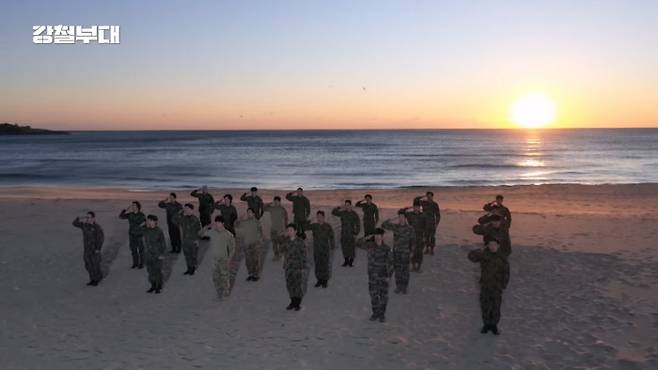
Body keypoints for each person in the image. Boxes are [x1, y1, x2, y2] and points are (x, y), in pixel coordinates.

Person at [468, 239, 510, 335]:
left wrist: (503, 285)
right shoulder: (484, 255)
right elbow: (471, 257)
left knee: (495, 306)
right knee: (485, 305)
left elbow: (506, 272)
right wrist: (480, 250)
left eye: (494, 244)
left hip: (496, 287)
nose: (492, 246)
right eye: (490, 244)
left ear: (498, 245)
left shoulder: (502, 257)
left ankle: (494, 325)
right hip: (485, 285)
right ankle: (486, 324)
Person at [199, 216, 236, 299]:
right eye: (216, 222)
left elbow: (232, 247)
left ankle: (225, 293)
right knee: (215, 277)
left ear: (222, 223)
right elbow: (200, 234)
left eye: (219, 222)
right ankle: (219, 293)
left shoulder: (228, 234)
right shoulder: (212, 232)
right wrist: (207, 227)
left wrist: (229, 258)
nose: (217, 224)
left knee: (224, 276)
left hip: (224, 259)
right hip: (214, 259)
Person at [382, 209, 415, 294]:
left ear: (405, 218)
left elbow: (413, 241)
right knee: (398, 271)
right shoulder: (396, 227)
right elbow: (384, 225)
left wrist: (412, 252)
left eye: (402, 217)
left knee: (405, 271)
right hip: (396, 252)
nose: (401, 219)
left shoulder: (410, 228)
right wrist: (388, 220)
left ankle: (404, 287)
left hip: (406, 253)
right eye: (399, 217)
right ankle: (398, 287)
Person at [366, 228, 394, 323]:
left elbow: (391, 264)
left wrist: (389, 277)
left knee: (383, 297)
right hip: (372, 277)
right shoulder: (369, 246)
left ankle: (382, 315)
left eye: (379, 235)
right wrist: (367, 237)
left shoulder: (386, 249)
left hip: (383, 277)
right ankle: (375, 313)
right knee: (373, 296)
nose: (377, 237)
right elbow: (357, 243)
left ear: (382, 237)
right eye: (376, 235)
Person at [72, 211, 104, 286]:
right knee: (88, 265)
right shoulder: (84, 226)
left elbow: (101, 238)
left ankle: (97, 279)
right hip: (87, 250)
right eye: (87, 217)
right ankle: (92, 279)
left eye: (89, 217)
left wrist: (98, 249)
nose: (87, 219)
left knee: (95, 265)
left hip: (94, 250)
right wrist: (80, 218)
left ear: (93, 218)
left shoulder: (97, 227)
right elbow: (74, 223)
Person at [281, 224, 308, 311]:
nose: (289, 232)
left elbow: (304, 254)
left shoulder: (300, 241)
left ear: (295, 231)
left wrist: (303, 266)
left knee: (297, 285)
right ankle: (292, 301)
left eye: (291, 230)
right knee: (290, 285)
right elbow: (281, 249)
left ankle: (297, 303)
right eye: (288, 230)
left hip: (297, 266)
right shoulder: (286, 241)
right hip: (288, 266)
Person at [307, 210, 336, 288]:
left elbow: (331, 236)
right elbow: (305, 227)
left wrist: (332, 246)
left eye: (321, 217)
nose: (319, 218)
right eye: (318, 217)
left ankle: (325, 281)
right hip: (316, 249)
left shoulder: (327, 226)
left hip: (325, 249)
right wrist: (308, 221)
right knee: (317, 265)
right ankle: (319, 280)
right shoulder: (314, 225)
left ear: (323, 217)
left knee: (325, 265)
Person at [236, 208, 264, 281]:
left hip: (255, 244)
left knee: (255, 260)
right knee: (248, 260)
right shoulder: (244, 222)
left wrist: (260, 241)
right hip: (246, 244)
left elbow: (260, 232)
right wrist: (239, 219)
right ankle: (250, 274)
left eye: (250, 212)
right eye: (248, 212)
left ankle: (256, 275)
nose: (249, 214)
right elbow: (236, 225)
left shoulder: (257, 222)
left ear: (253, 213)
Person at [142, 215, 166, 294]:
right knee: (150, 271)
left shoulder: (159, 231)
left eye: (150, 220)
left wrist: (161, 254)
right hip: (148, 255)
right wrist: (143, 224)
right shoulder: (145, 230)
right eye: (147, 220)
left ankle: (158, 286)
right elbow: (136, 230)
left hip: (157, 255)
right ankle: (152, 285)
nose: (148, 222)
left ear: (155, 221)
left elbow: (163, 244)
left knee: (157, 271)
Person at [332, 200, 361, 267]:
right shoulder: (343, 213)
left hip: (351, 233)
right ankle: (346, 260)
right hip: (344, 233)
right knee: (344, 247)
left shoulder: (354, 214)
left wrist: (356, 232)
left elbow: (358, 224)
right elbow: (333, 212)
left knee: (351, 248)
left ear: (350, 205)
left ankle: (351, 261)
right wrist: (339, 207)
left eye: (348, 205)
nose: (347, 206)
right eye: (346, 205)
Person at [175, 203, 201, 275]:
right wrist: (179, 213)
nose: (186, 210)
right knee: (187, 256)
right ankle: (189, 269)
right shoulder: (183, 219)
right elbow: (173, 220)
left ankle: (193, 269)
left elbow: (199, 231)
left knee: (193, 256)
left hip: (193, 241)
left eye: (187, 208)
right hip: (185, 241)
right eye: (185, 208)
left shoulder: (195, 219)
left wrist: (197, 240)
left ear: (191, 210)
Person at [119, 201, 146, 269]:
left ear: (137, 207)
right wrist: (125, 210)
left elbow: (144, 224)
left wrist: (140, 226)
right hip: (132, 235)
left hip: (139, 235)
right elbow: (121, 217)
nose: (132, 206)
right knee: (133, 250)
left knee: (141, 250)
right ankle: (135, 263)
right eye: (132, 205)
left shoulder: (141, 215)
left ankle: (141, 263)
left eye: (134, 205)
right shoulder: (130, 214)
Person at [400, 202, 426, 272]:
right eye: (414, 207)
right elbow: (400, 212)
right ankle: (413, 266)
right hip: (411, 236)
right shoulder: (409, 214)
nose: (416, 208)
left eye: (417, 207)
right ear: (413, 207)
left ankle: (419, 267)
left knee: (419, 252)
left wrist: (425, 236)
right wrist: (407, 208)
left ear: (419, 208)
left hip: (420, 236)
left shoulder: (423, 215)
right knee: (412, 251)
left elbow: (426, 226)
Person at [264, 196, 288, 261]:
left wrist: (286, 229)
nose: (276, 202)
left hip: (280, 229)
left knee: (281, 243)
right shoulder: (271, 208)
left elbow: (286, 219)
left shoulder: (282, 209)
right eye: (275, 201)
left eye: (277, 201)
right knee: (274, 244)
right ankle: (276, 256)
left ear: (280, 202)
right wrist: (270, 203)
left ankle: (281, 254)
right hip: (273, 229)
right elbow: (263, 208)